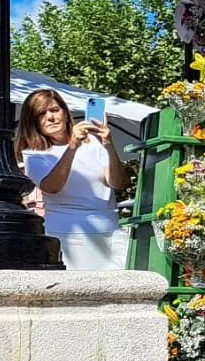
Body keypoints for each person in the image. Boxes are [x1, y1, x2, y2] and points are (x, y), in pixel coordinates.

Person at [16, 89, 130, 270]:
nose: (50, 117)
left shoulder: (93, 142)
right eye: (41, 114)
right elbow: (52, 187)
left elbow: (117, 183)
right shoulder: (33, 154)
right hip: (70, 234)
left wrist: (108, 144)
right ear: (33, 122)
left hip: (110, 230)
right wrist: (72, 147)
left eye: (54, 110)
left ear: (65, 112)